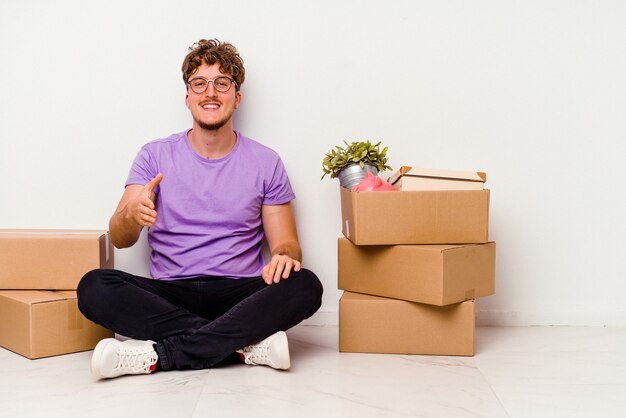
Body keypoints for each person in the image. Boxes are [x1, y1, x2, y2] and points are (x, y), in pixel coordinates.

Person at [77, 39, 323, 379]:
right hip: (170, 293)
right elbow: (120, 239)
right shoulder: (154, 155)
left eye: (222, 83)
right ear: (188, 96)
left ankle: (159, 356)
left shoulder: (266, 162)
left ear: (236, 97)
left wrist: (284, 255)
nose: (210, 92)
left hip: (239, 292)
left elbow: (287, 244)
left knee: (305, 285)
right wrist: (131, 216)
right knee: (93, 287)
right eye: (199, 84)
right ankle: (242, 345)